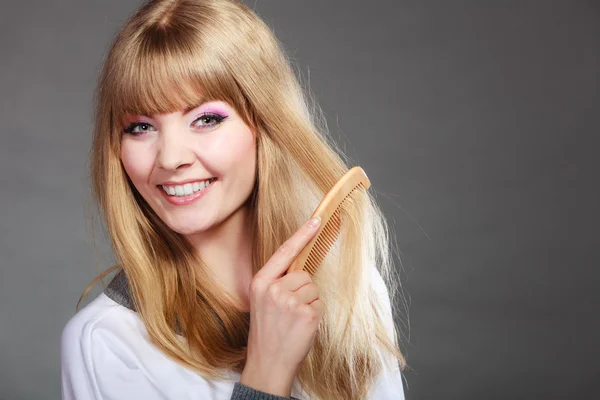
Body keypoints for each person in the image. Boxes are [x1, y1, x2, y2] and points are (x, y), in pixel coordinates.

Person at [60, 0, 406, 399]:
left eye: (206, 119)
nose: (171, 158)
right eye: (140, 126)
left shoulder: (350, 286)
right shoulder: (104, 344)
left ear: (265, 124)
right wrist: (266, 373)